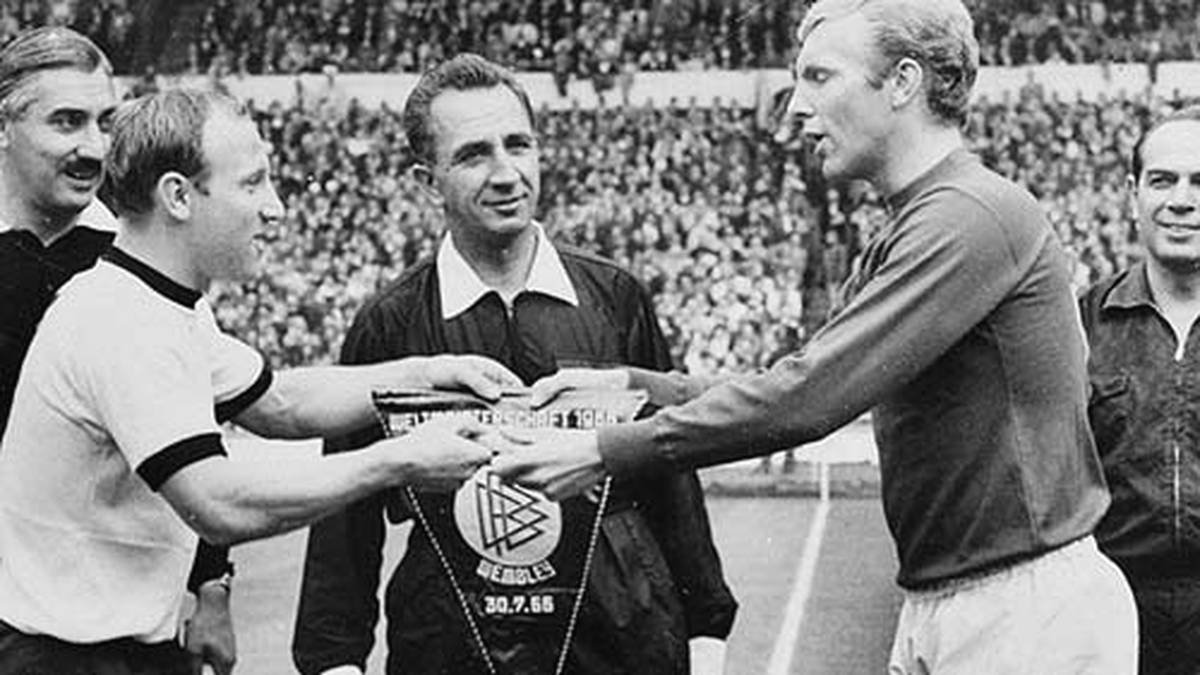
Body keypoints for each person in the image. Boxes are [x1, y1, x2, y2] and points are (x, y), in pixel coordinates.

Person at [495, 1, 1139, 673]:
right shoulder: (919, 219)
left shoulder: (967, 216)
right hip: (967, 596)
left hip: (1018, 607)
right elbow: (802, 375)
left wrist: (605, 449)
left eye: (819, 77)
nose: (795, 108)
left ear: (902, 83)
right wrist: (635, 387)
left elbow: (811, 396)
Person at [0, 87, 522, 675]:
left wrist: (426, 372)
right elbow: (218, 504)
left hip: (116, 649)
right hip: (63, 658)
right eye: (252, 184)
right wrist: (399, 460)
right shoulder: (120, 321)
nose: (274, 207)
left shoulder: (157, 303)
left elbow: (281, 403)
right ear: (177, 196)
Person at [292, 54, 736, 675]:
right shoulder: (389, 323)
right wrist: (336, 661)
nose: (506, 173)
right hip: (449, 648)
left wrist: (707, 635)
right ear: (427, 181)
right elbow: (347, 509)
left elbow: (669, 470)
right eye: (474, 154)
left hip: (621, 643)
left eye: (518, 145)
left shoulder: (615, 297)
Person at [0, 26, 235, 675]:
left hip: (124, 631)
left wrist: (213, 585)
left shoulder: (141, 258)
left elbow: (198, 426)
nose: (94, 148)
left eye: (106, 121)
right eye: (67, 122)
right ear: (5, 127)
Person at [1080, 106, 1200, 675]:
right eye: (1162, 180)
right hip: (1107, 610)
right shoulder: (1079, 323)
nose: (1181, 200)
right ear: (1132, 196)